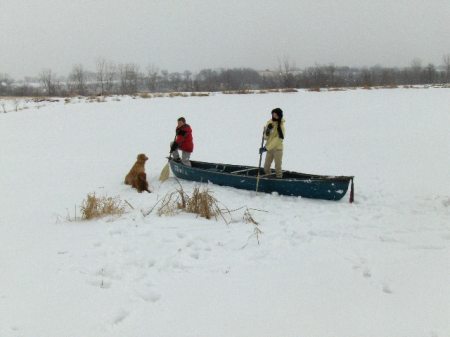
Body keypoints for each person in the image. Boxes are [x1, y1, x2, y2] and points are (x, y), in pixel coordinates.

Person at [259, 108, 285, 178]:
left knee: (278, 168)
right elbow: (265, 138)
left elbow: (278, 140)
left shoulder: (281, 126)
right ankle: (269, 180)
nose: (274, 117)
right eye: (273, 115)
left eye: (276, 115)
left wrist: (266, 148)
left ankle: (279, 181)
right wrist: (267, 131)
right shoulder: (270, 123)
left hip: (277, 149)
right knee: (266, 168)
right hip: (269, 150)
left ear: (280, 116)